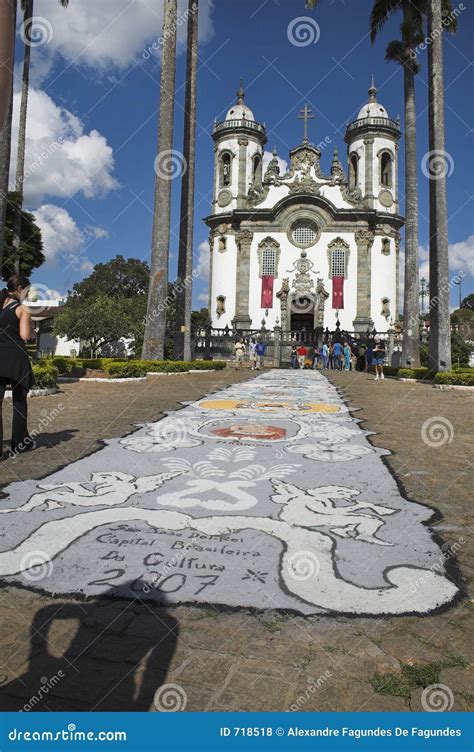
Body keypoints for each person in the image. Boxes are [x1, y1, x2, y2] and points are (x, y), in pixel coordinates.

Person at [0, 274, 35, 457]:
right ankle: (20, 444)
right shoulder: (22, 308)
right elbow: (24, 335)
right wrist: (33, 332)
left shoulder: (2, 307)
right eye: (27, 291)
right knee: (19, 403)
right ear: (20, 289)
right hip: (17, 362)